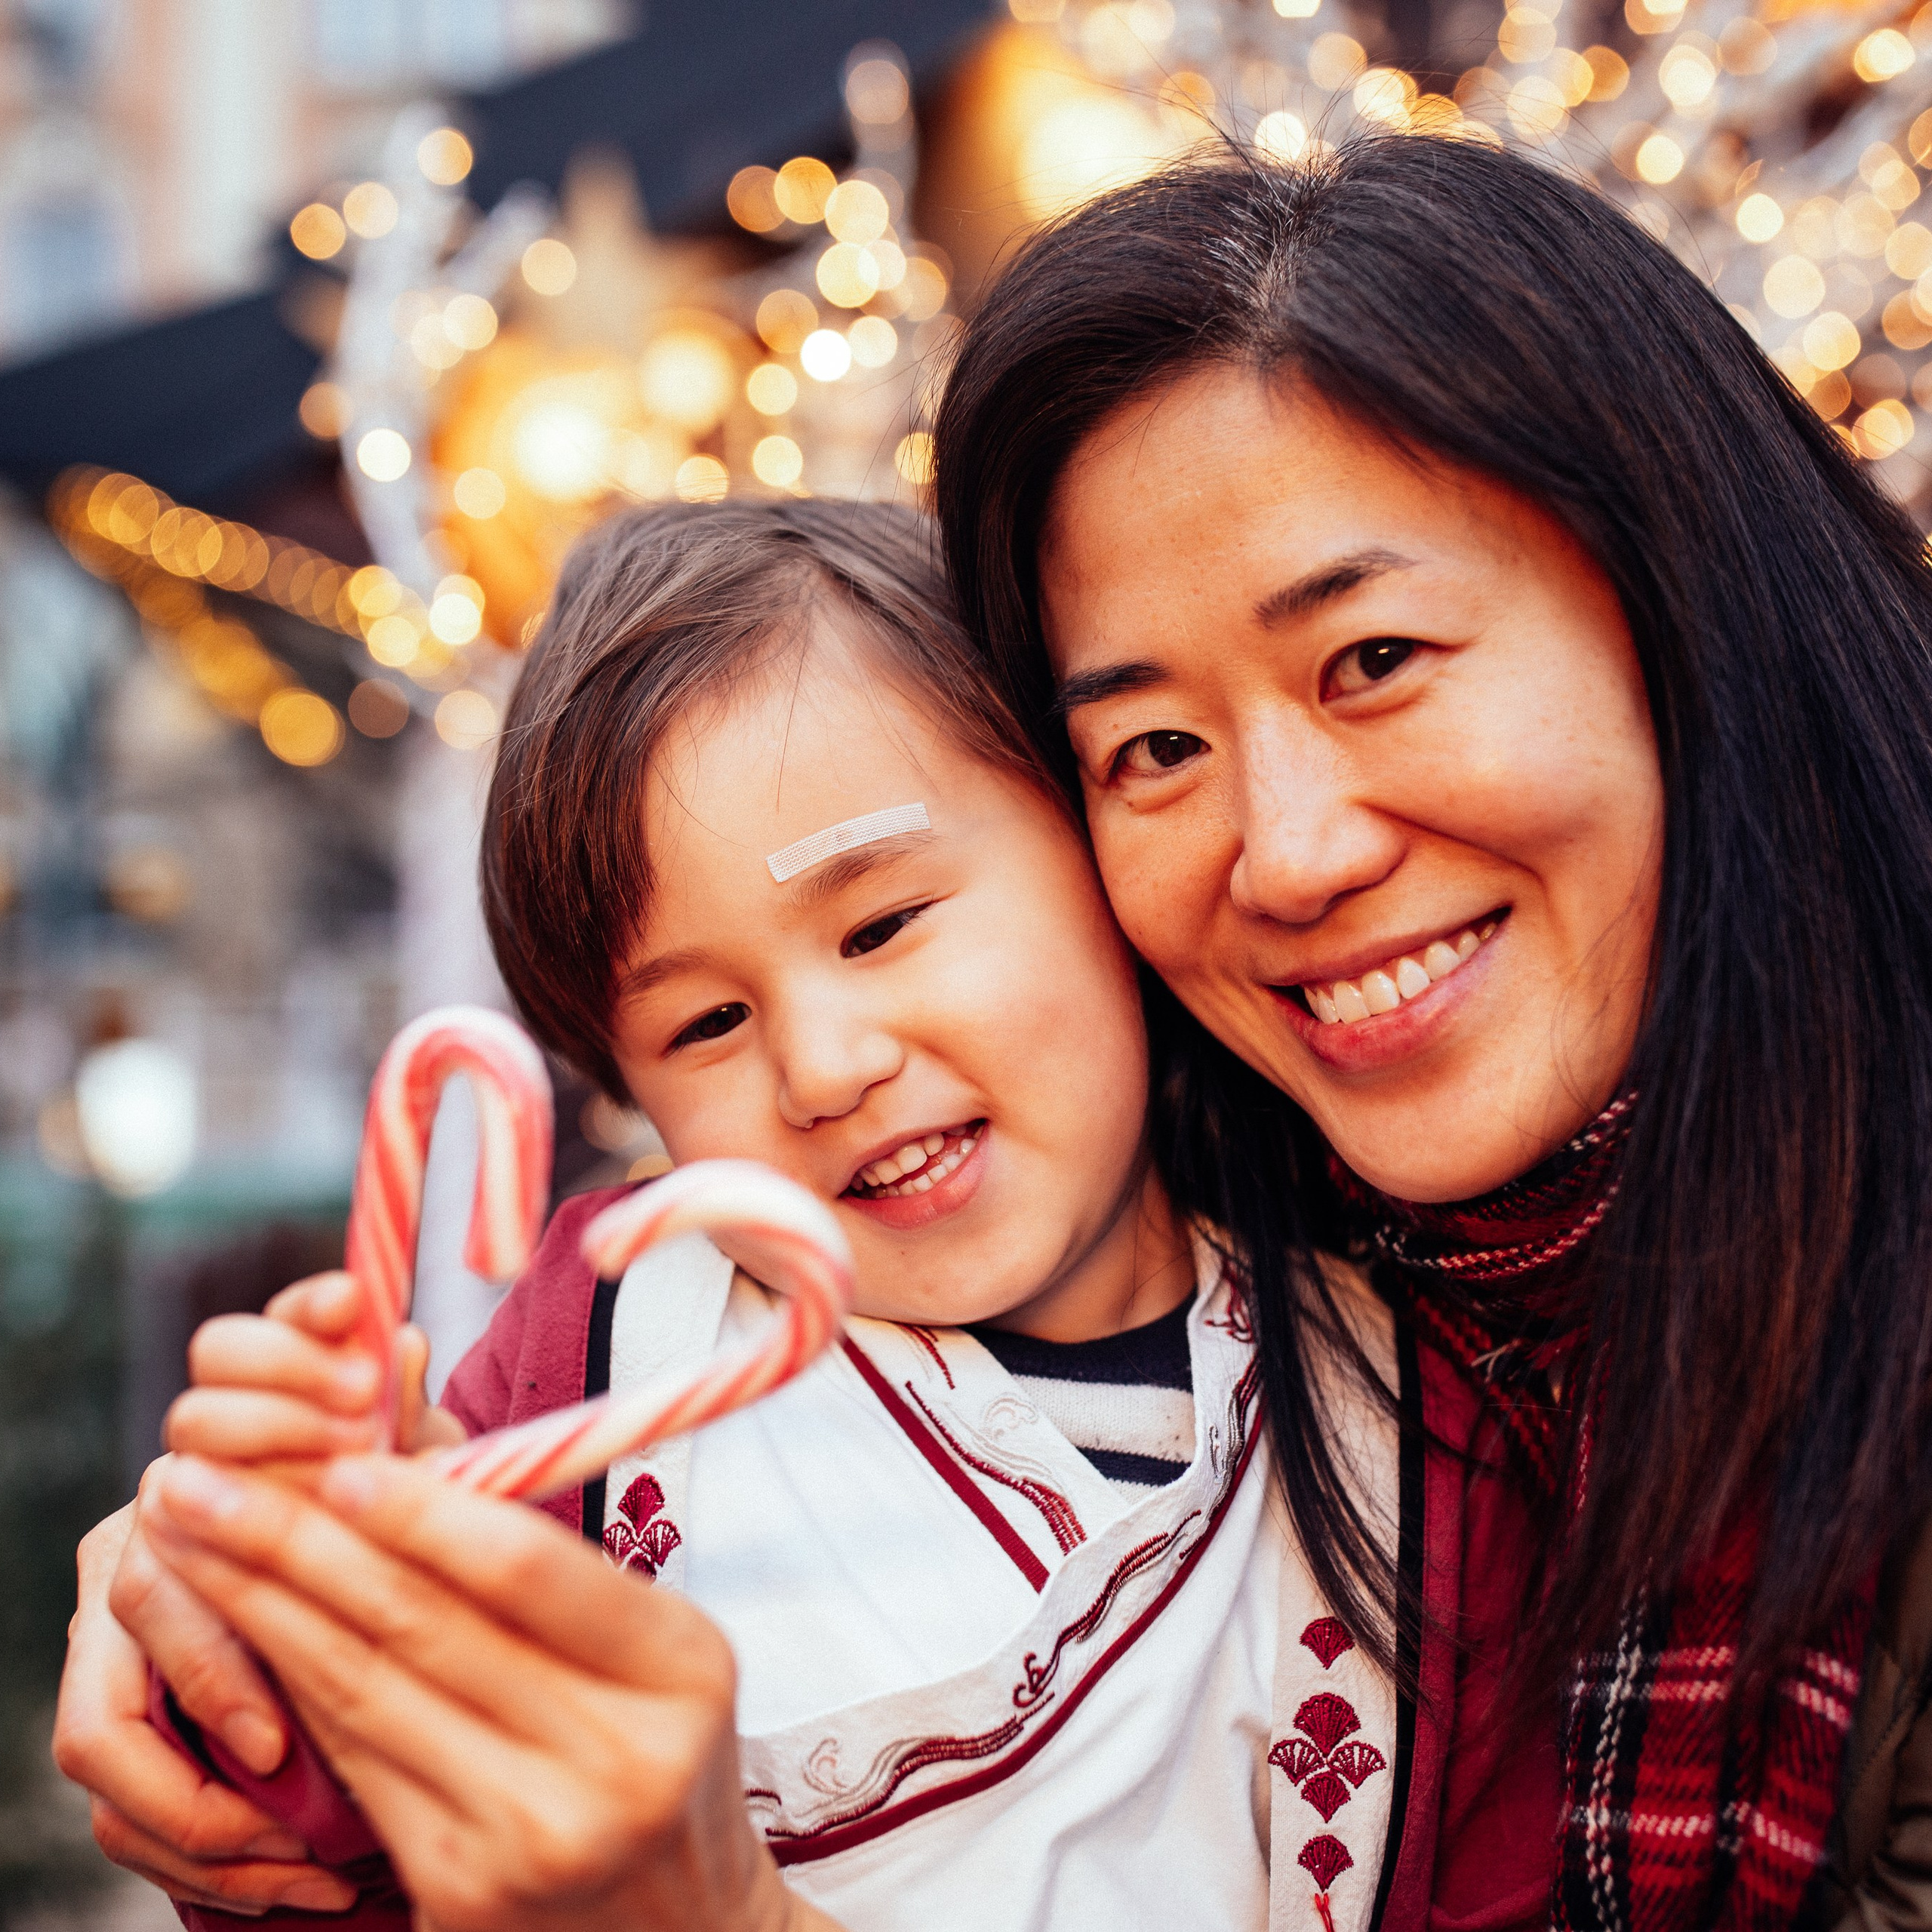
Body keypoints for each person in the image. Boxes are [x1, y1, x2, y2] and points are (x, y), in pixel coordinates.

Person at [72, 498, 1548, 1932]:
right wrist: (259, 1659)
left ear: (1098, 851)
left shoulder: (1418, 1425)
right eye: (706, 1021)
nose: (824, 1065)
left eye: (882, 922)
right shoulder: (603, 1348)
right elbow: (363, 1858)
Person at [928, 134, 1932, 1927]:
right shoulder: (1208, 1329)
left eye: (1373, 658)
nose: (1290, 853)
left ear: (1680, 612)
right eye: (1151, 748)